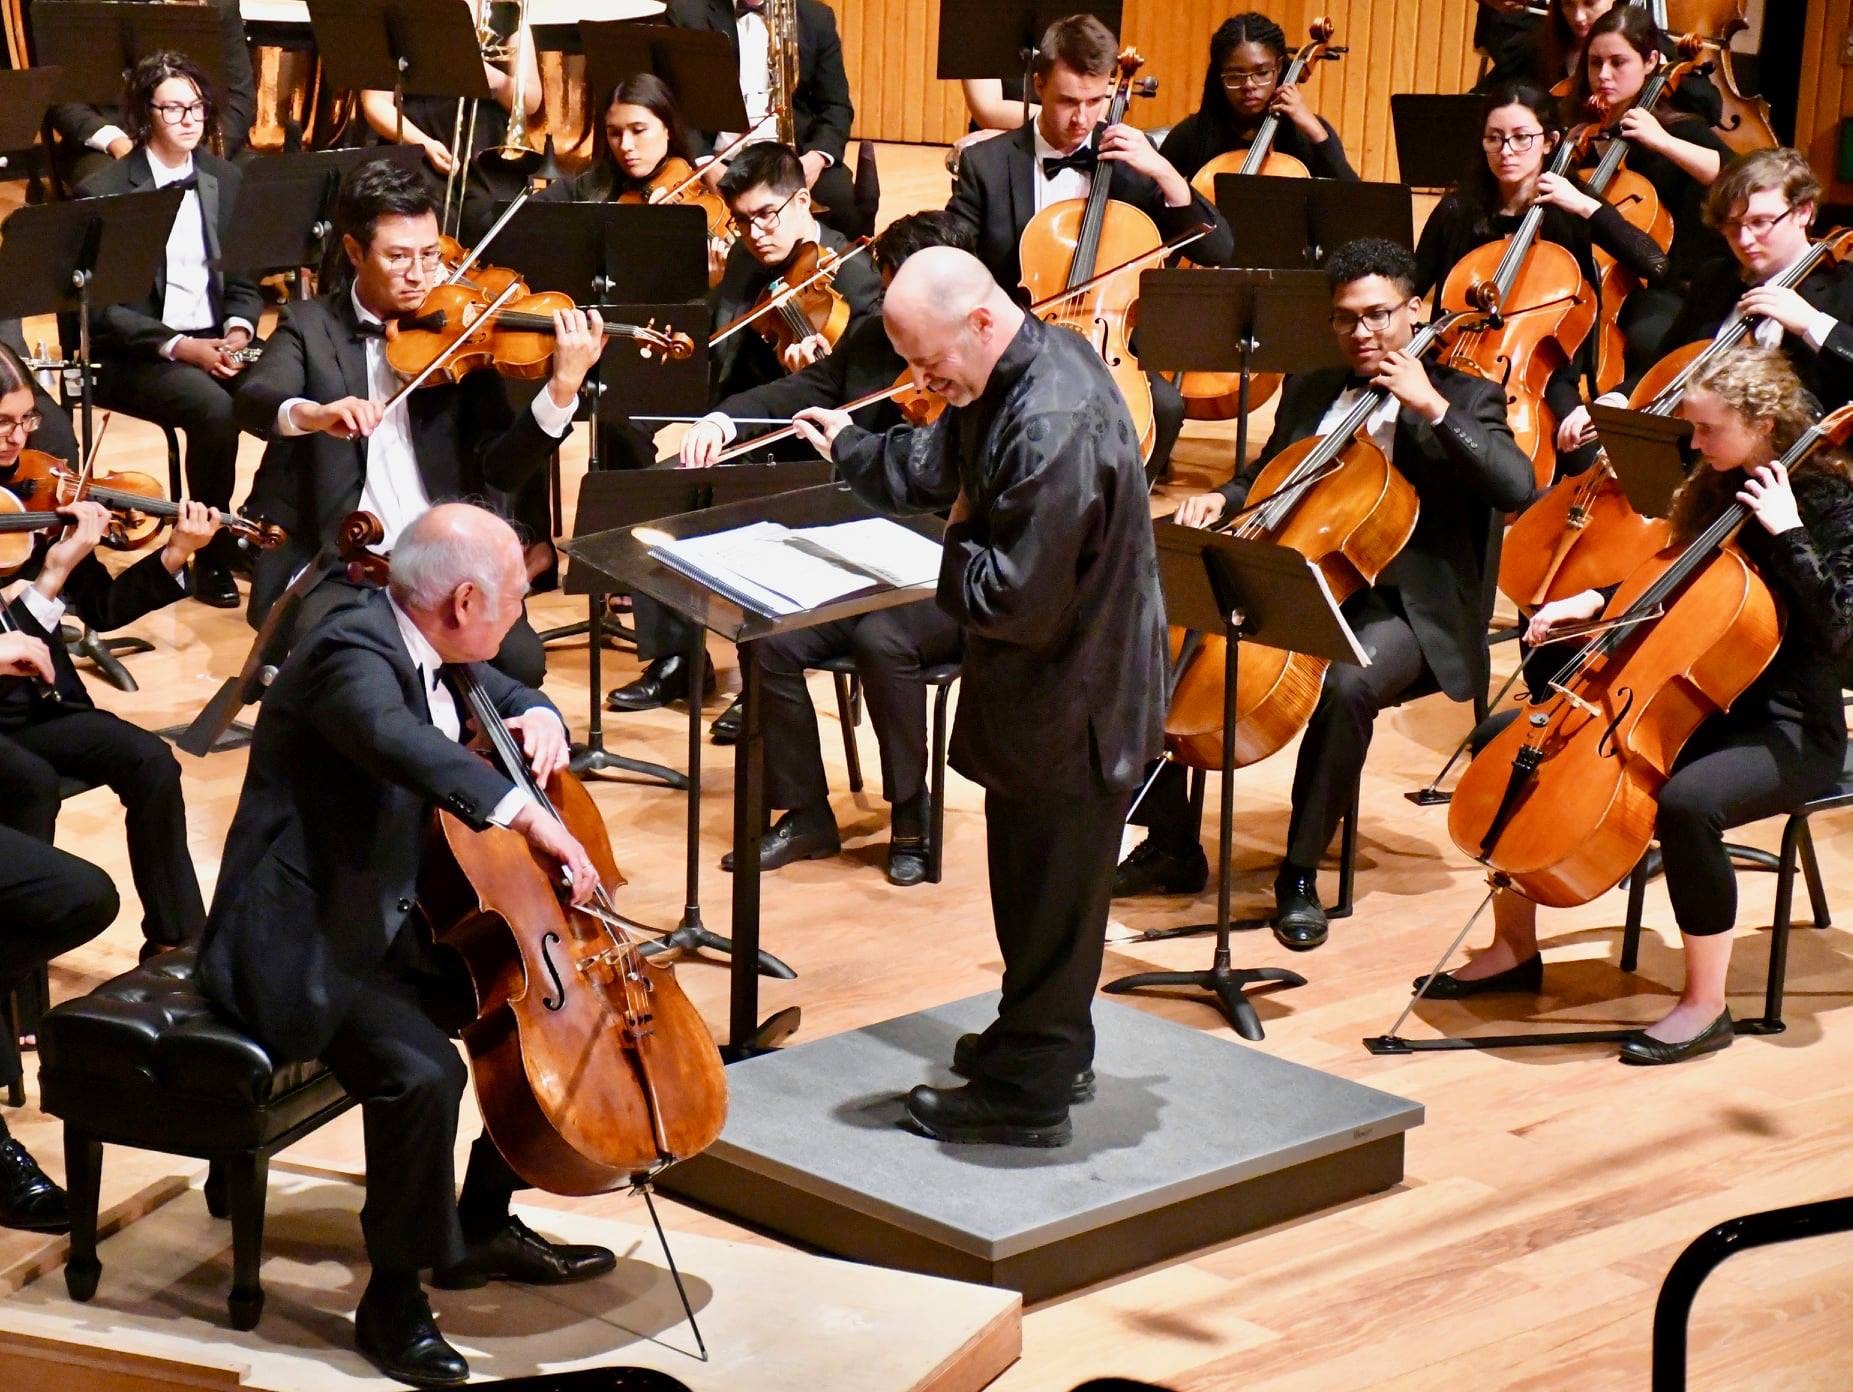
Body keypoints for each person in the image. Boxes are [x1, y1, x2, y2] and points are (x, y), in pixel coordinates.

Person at [198, 504, 615, 1387]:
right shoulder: (345, 650)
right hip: (306, 937)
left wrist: (537, 708)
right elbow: (397, 738)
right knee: (425, 1073)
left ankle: (482, 1224)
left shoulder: (433, 641)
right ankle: (393, 1299)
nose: (520, 614)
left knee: (523, 1022)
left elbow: (492, 688)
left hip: (394, 915)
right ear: (463, 600)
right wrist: (526, 817)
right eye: (516, 599)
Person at [788, 248, 1167, 1147]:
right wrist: (846, 445)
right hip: (1040, 692)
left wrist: (953, 536)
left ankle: (1030, 1093)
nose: (923, 383)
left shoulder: (1052, 423)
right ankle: (1037, 1041)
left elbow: (1013, 598)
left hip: (1077, 698)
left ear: (983, 323)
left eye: (931, 364)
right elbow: (931, 465)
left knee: (1052, 899)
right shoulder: (1002, 373)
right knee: (1034, 896)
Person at [1423, 346, 1853, 1065]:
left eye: (1708, 430)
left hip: (1787, 726)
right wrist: (1591, 603)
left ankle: (1703, 1005)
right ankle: (1513, 948)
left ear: (1763, 424)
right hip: (1687, 700)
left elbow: (1840, 633)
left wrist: (1788, 534)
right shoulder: (1713, 481)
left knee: (1689, 805)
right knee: (1512, 738)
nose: (1694, 443)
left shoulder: (1829, 504)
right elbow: (1666, 577)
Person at [1126, 239, 1534, 949]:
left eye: (1378, 316)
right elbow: (1269, 474)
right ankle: (1170, 843)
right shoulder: (1317, 385)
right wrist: (1217, 499)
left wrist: (1433, 408)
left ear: (1414, 311)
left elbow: (1515, 486)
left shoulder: (1466, 395)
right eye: (1346, 319)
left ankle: (1299, 873)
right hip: (1305, 569)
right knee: (1162, 633)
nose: (1363, 333)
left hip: (1410, 607)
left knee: (1347, 686)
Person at [234, 158, 604, 688]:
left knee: (521, 662)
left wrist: (561, 390)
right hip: (344, 566)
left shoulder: (459, 333)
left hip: (445, 566)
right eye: (398, 257)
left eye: (430, 255)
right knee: (353, 673)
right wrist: (313, 413)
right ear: (355, 252)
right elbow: (254, 397)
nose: (419, 275)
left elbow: (501, 468)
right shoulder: (310, 325)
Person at [683, 212, 973, 883]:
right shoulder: (873, 339)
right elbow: (803, 391)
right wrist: (723, 418)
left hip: (952, 565)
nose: (900, 315)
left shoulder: (983, 359)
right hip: (870, 552)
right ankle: (807, 812)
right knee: (769, 636)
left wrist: (874, 444)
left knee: (882, 640)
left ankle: (910, 814)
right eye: (892, 292)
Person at [604, 141, 882, 717]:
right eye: (743, 220)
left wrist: (818, 376)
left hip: (817, 451)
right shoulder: (744, 263)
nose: (755, 233)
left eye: (767, 215)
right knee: (656, 493)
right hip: (743, 431)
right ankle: (679, 661)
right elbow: (721, 357)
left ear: (803, 200)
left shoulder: (854, 279)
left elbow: (870, 400)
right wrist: (707, 410)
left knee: (760, 513)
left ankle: (763, 682)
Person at [945, 12, 1235, 483]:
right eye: (1067, 101)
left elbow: (1217, 248)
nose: (1083, 118)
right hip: (1013, 342)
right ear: (1038, 84)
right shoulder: (987, 164)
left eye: (1095, 101)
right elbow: (955, 260)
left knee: (1165, 407)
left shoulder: (1130, 165)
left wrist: (1163, 172)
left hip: (1108, 348)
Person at [0, 344, 219, 959]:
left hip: (38, 706)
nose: (18, 439)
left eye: (26, 421)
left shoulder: (42, 489)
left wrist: (174, 554)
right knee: (31, 782)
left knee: (150, 761)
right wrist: (49, 577)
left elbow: (99, 610)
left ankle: (178, 947)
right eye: (2, 424)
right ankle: (21, 973)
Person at [77, 50, 263, 610]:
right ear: (144, 116)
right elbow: (107, 311)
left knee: (298, 388)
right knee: (214, 411)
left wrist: (236, 334)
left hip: (213, 338)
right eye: (173, 108)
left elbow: (246, 284)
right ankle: (205, 553)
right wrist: (184, 348)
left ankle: (243, 526)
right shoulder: (107, 189)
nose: (189, 119)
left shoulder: (224, 179)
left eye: (198, 107)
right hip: (134, 354)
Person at [1414, 79, 1666, 476]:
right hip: (1458, 367)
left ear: (1549, 142)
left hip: (1544, 376)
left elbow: (1655, 264)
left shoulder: (1571, 205)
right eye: (1494, 139)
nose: (1507, 151)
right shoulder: (1457, 210)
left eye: (1521, 138)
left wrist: (1586, 207)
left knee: (1590, 459)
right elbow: (1411, 285)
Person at [1597, 148, 1853, 417]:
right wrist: (1619, 399)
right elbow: (1668, 359)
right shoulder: (1716, 278)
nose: (1744, 240)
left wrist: (1812, 323)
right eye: (1733, 226)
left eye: (1760, 222)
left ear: (1803, 212)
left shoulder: (1843, 287)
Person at [1567, 6, 1732, 374]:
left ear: (1651, 61)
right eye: (1595, 63)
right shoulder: (1582, 135)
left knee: (1647, 341)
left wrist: (1662, 142)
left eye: (1618, 62)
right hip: (1585, 280)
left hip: (1661, 288)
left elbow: (1740, 177)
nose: (1603, 76)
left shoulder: (1680, 130)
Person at [665, 0, 869, 237]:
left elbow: (836, 106)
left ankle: (832, 270)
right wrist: (704, 163)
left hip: (795, 158)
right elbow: (675, 104)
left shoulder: (816, 18)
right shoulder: (688, 13)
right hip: (721, 158)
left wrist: (816, 158)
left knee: (840, 198)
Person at [356, 0, 543, 240]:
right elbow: (375, 104)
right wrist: (425, 145)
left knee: (493, 222)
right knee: (427, 218)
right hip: (421, 146)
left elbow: (531, 101)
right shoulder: (397, 13)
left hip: (487, 152)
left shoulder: (505, 11)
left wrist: (493, 79)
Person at [44, 0, 255, 189]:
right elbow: (62, 97)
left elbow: (239, 95)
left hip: (196, 138)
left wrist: (208, 152)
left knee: (257, 184)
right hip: (113, 141)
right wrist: (115, 140)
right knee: (116, 190)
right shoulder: (78, 8)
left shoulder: (221, 5)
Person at [1157, 13, 1359, 185]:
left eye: (1262, 72)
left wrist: (1316, 132)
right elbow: (1150, 202)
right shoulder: (1192, 135)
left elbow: (1356, 203)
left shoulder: (1307, 134)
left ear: (1279, 67)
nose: (1249, 85)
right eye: (1235, 75)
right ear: (1219, 76)